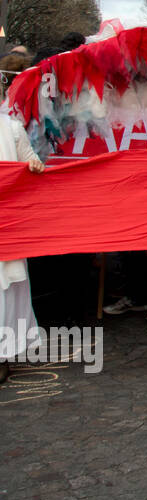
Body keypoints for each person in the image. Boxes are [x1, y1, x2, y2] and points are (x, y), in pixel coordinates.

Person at [0, 88, 45, 382]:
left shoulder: (11, 128)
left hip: (6, 226)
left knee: (4, 293)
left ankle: (2, 355)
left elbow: (31, 161)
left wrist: (33, 166)